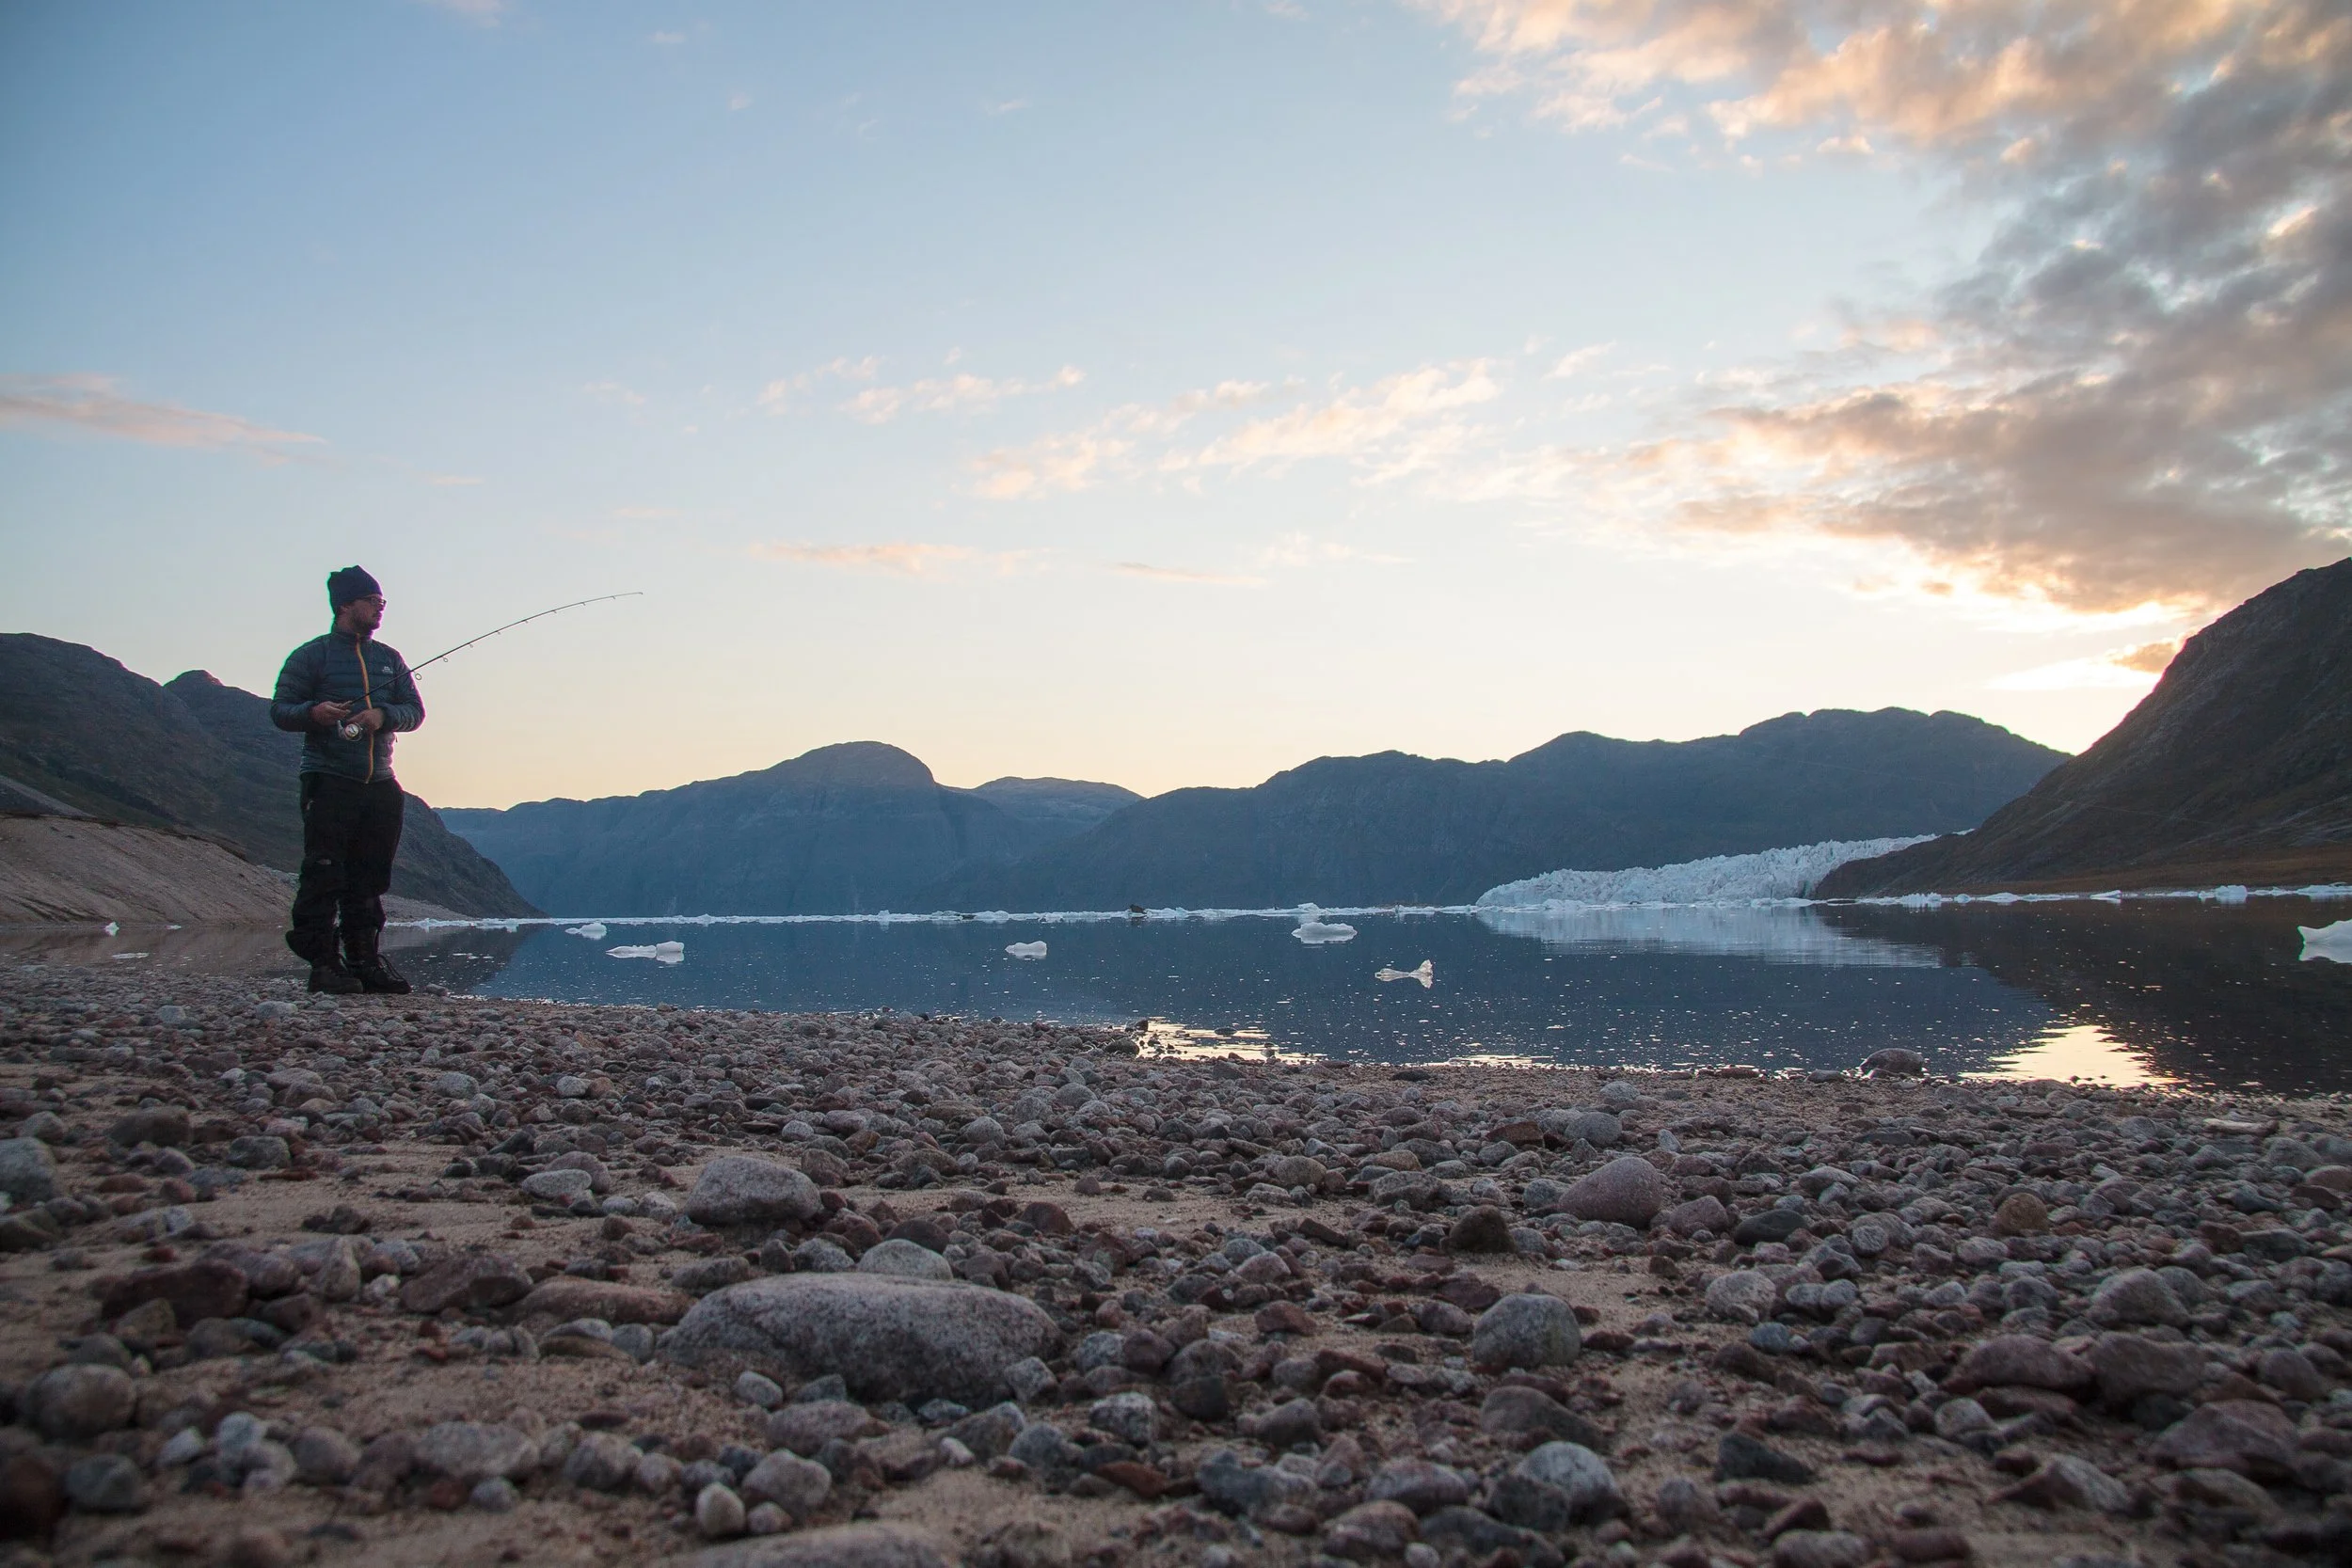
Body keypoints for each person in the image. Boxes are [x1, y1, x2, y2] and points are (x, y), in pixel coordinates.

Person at [271, 566, 424, 994]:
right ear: (345, 605)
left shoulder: (388, 659)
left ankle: (364, 960)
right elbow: (281, 710)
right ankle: (322, 962)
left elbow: (414, 711)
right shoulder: (311, 656)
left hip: (379, 781)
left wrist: (383, 715)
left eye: (382, 601)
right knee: (323, 871)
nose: (380, 607)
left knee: (371, 876)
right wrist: (313, 714)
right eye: (373, 600)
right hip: (329, 777)